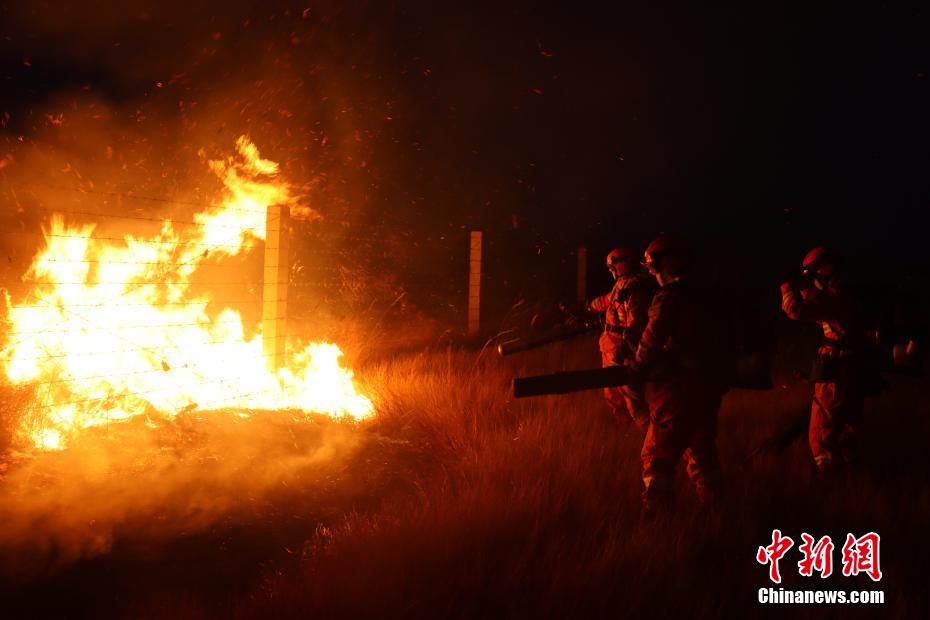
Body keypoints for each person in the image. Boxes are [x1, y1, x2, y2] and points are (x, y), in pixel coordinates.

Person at [633, 234, 729, 515]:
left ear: (669, 263)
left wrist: (637, 370)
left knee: (657, 458)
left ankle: (657, 520)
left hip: (677, 389)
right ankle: (717, 514)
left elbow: (652, 338)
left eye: (654, 266)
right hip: (708, 388)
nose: (652, 272)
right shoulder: (709, 297)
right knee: (702, 453)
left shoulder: (670, 297)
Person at [780, 247, 867, 477]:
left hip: (836, 375)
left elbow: (796, 310)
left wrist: (787, 285)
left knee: (822, 433)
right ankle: (853, 481)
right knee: (845, 433)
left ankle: (830, 487)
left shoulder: (834, 299)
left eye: (815, 273)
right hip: (851, 372)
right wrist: (804, 285)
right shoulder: (845, 296)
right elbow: (818, 304)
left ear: (824, 270)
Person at [586, 248, 653, 428]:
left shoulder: (634, 289)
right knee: (612, 394)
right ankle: (624, 431)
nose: (611, 270)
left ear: (623, 263)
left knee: (630, 397)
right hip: (610, 347)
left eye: (612, 266)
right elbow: (607, 300)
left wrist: (624, 348)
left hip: (622, 350)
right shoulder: (622, 284)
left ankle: (652, 434)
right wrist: (587, 307)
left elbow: (635, 322)